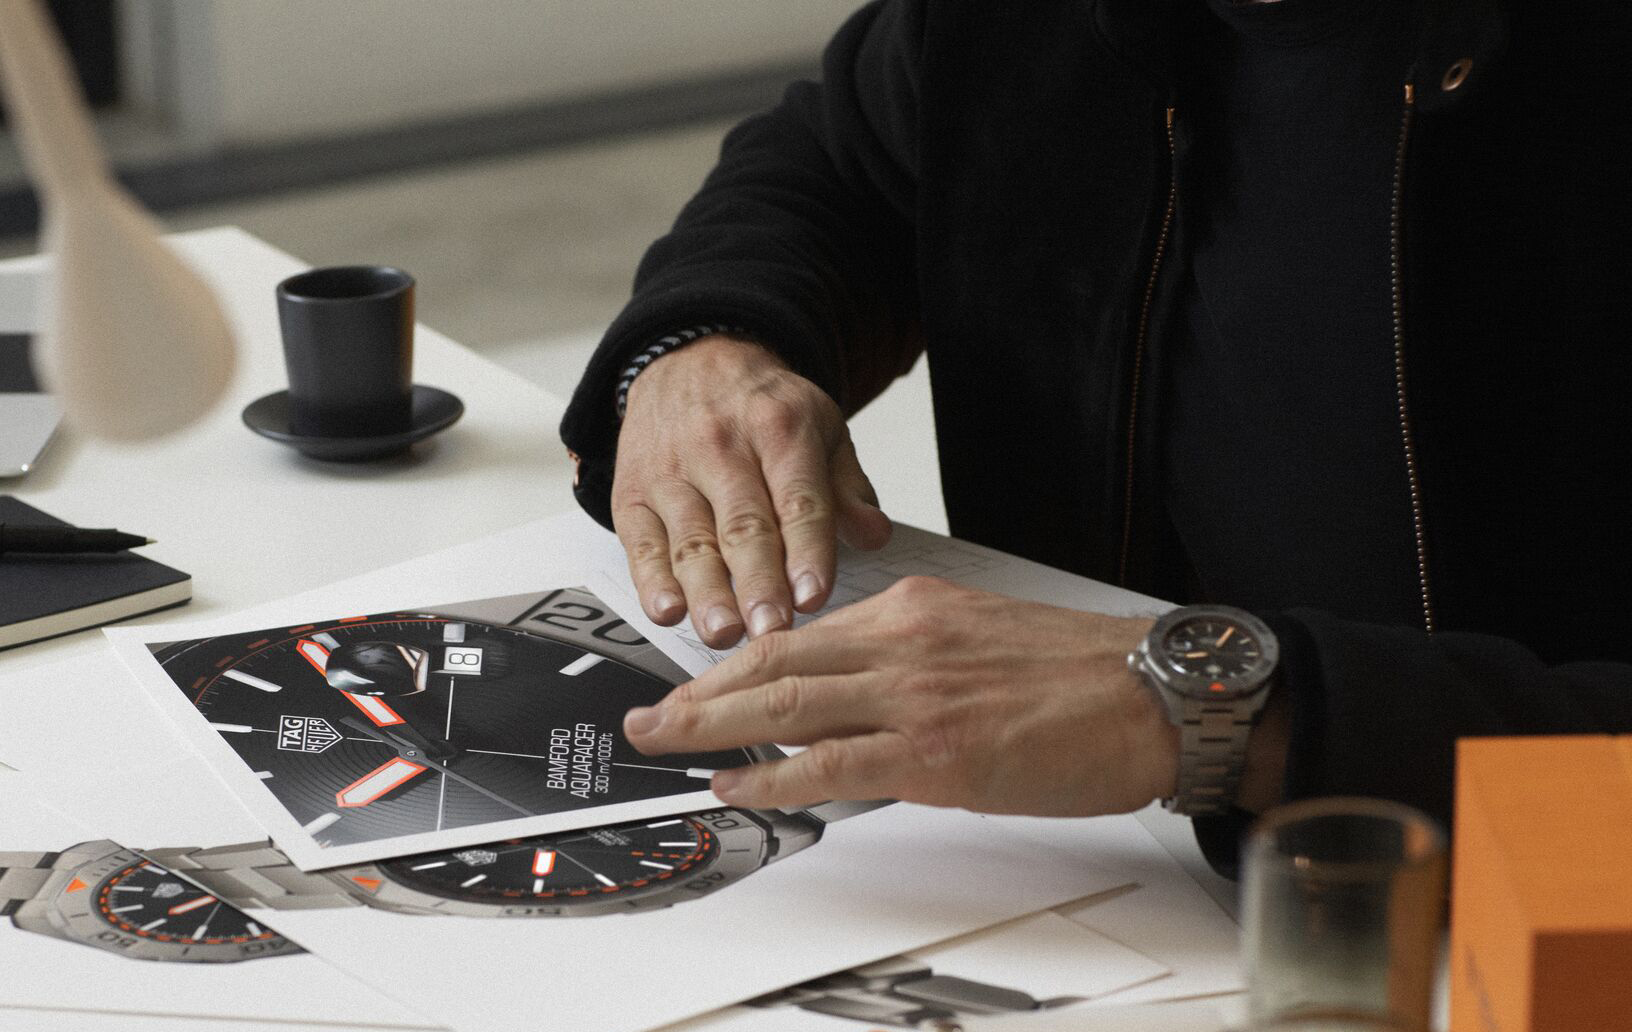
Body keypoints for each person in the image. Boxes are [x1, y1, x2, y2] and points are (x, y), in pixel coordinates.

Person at [558, 0, 1632, 864]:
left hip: (1510, 952)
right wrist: (707, 342)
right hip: (1087, 892)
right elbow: (838, 163)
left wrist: (1218, 711)